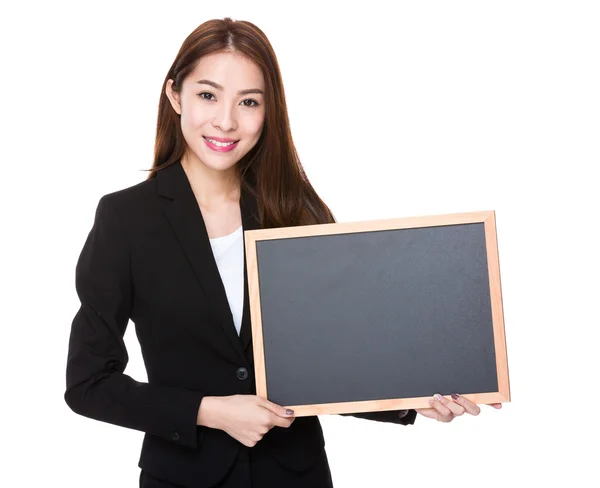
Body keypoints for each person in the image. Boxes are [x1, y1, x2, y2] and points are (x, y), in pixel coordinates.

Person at [64, 17, 502, 488]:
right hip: (183, 477)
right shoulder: (126, 218)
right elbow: (89, 383)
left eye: (248, 102)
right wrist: (209, 412)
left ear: (268, 111)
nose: (226, 121)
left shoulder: (295, 210)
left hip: (295, 475)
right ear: (175, 96)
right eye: (208, 95)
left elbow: (335, 359)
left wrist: (409, 398)